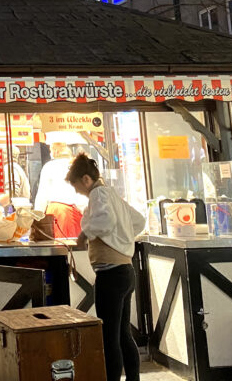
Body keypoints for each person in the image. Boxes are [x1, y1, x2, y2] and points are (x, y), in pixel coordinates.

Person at [66, 153, 143, 381]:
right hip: (125, 271)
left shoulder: (98, 193)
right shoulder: (111, 194)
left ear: (86, 179)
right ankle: (133, 378)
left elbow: (106, 221)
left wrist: (84, 234)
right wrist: (124, 239)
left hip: (110, 274)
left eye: (77, 185)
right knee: (122, 334)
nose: (77, 190)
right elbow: (138, 220)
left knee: (109, 336)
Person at [34, 141, 86, 211]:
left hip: (56, 211)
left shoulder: (49, 166)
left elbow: (42, 195)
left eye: (51, 150)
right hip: (76, 211)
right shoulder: (78, 166)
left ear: (55, 151)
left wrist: (38, 216)